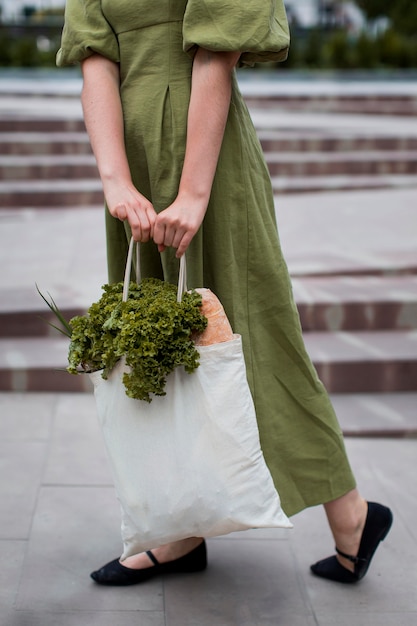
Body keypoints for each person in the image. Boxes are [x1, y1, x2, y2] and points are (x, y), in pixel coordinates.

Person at [57, 0, 393, 586]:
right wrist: (115, 179)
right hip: (130, 158)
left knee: (251, 338)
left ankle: (351, 514)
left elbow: (219, 49)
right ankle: (182, 530)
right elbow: (94, 57)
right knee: (163, 348)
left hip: (206, 157)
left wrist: (193, 191)